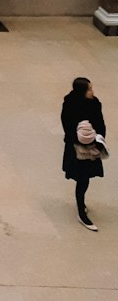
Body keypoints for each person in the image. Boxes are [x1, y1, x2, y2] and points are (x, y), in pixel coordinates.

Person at [61, 76, 107, 230]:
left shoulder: (94, 103)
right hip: (77, 147)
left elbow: (100, 122)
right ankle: (81, 211)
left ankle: (81, 205)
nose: (92, 91)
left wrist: (99, 140)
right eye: (89, 88)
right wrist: (80, 138)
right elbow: (67, 124)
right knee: (83, 178)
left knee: (85, 178)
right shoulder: (70, 104)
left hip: (92, 145)